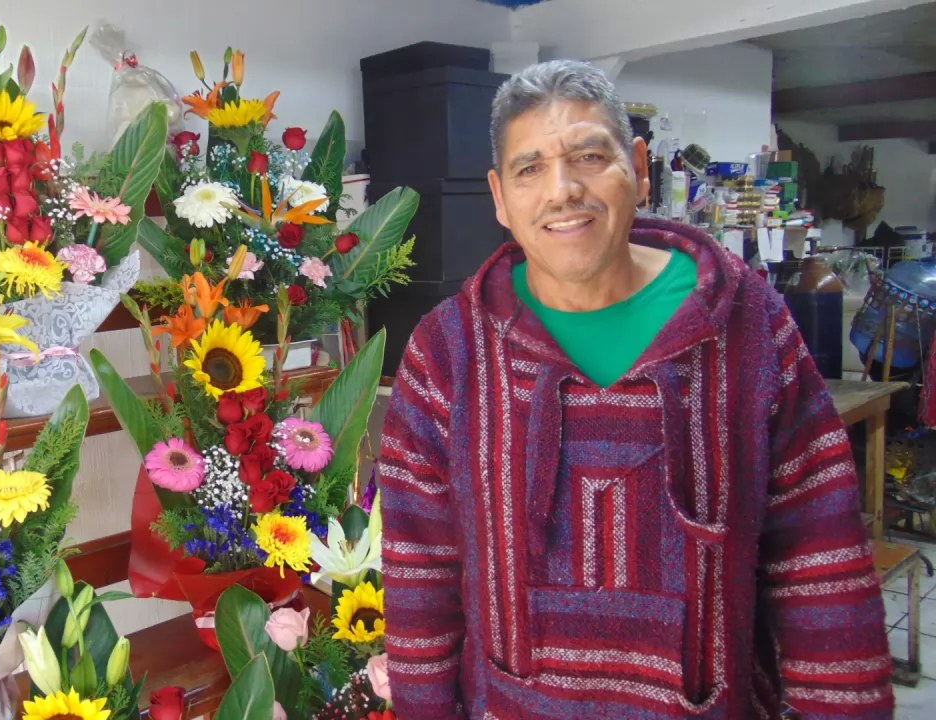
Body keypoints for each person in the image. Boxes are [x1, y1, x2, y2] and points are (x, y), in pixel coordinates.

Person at [379, 60, 894, 719]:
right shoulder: (448, 353)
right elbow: (420, 574)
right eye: (530, 168)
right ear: (500, 197)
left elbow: (820, 558)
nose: (563, 190)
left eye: (590, 157)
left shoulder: (748, 326)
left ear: (641, 168)